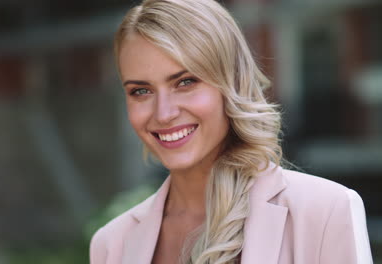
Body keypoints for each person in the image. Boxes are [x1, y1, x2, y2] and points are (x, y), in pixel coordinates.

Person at [90, 0, 373, 263]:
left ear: (233, 84)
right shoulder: (111, 244)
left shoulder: (325, 212)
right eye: (141, 91)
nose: (164, 113)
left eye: (186, 82)